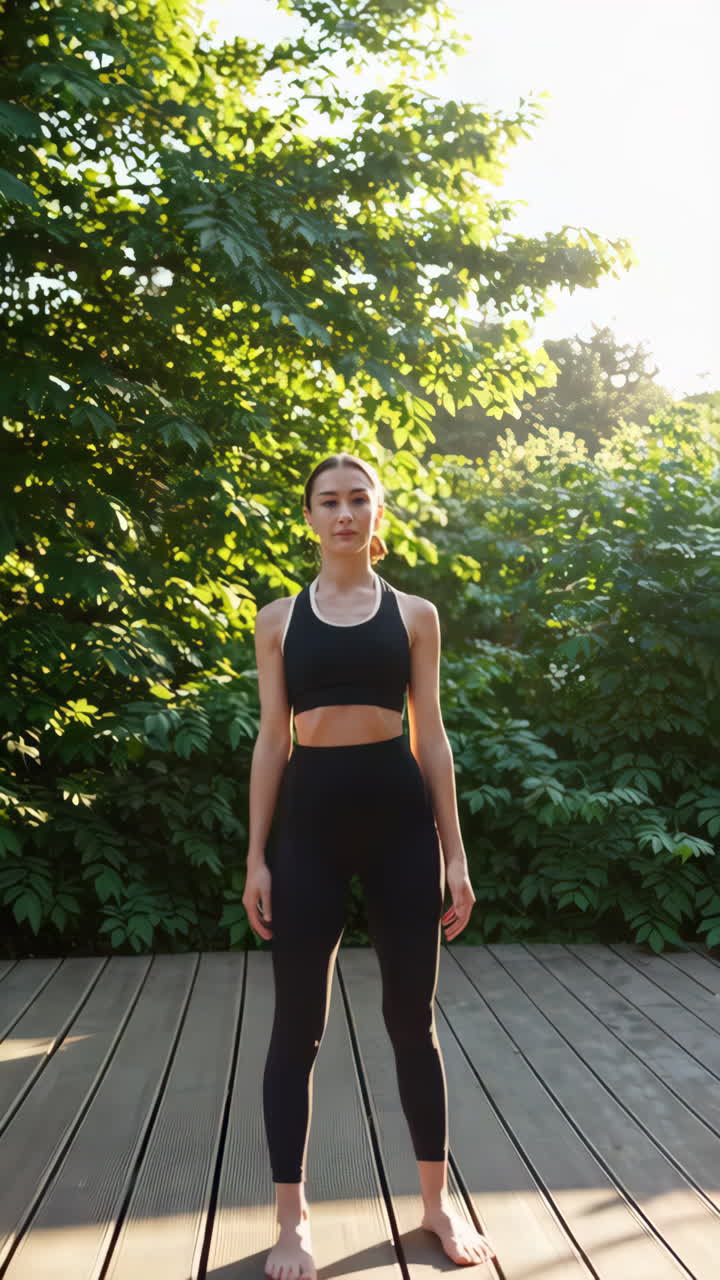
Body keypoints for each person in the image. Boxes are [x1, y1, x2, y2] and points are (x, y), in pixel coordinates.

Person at [243, 452, 496, 1279]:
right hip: (308, 828)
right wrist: (255, 856)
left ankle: (435, 1208)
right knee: (296, 1028)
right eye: (329, 501)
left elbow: (433, 736)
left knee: (412, 1021)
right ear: (309, 516)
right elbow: (271, 740)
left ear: (378, 512)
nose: (345, 513)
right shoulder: (279, 620)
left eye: (358, 499)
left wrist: (455, 854)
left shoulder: (415, 615)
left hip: (399, 824)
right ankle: (292, 1224)